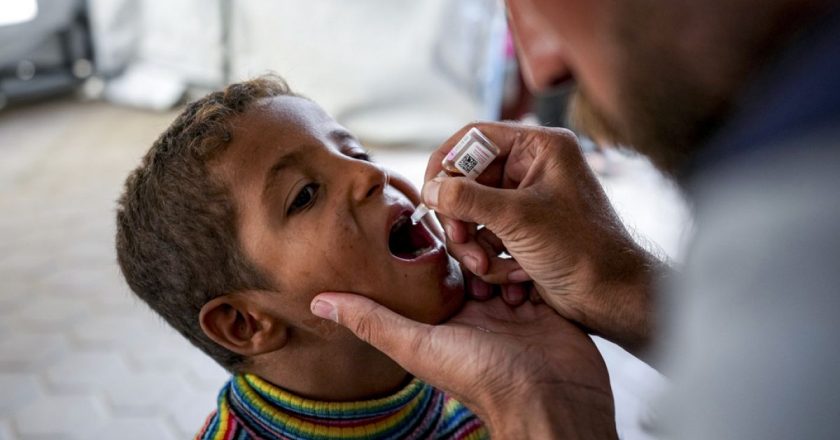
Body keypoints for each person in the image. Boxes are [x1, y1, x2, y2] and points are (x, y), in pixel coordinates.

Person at [310, 0, 840, 438]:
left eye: (357, 152)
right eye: (303, 195)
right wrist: (616, 284)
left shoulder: (794, 248)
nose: (543, 69)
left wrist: (540, 412)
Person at [115, 75, 491, 439]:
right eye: (305, 195)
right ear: (246, 323)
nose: (371, 174)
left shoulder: (488, 368)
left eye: (356, 152)